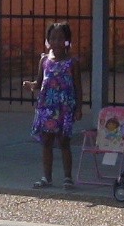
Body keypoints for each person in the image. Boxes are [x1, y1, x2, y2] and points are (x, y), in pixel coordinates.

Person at [24, 21, 82, 189]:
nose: (56, 42)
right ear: (48, 40)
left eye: (60, 38)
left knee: (64, 142)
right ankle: (47, 177)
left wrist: (78, 108)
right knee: (46, 142)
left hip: (64, 107)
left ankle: (67, 178)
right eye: (53, 38)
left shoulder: (72, 62)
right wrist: (31, 85)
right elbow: (40, 82)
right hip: (46, 107)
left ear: (66, 41)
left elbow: (78, 86)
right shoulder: (44, 60)